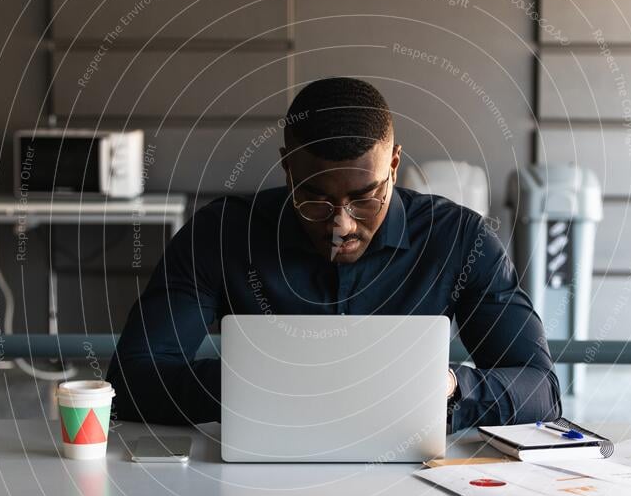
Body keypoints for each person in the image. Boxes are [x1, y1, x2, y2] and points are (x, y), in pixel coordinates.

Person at [106, 77, 561, 433]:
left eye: (365, 198)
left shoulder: (462, 240)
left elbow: (541, 389)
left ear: (394, 166)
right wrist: (252, 384)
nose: (340, 225)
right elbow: (131, 382)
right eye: (314, 198)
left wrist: (450, 387)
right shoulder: (221, 234)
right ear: (288, 167)